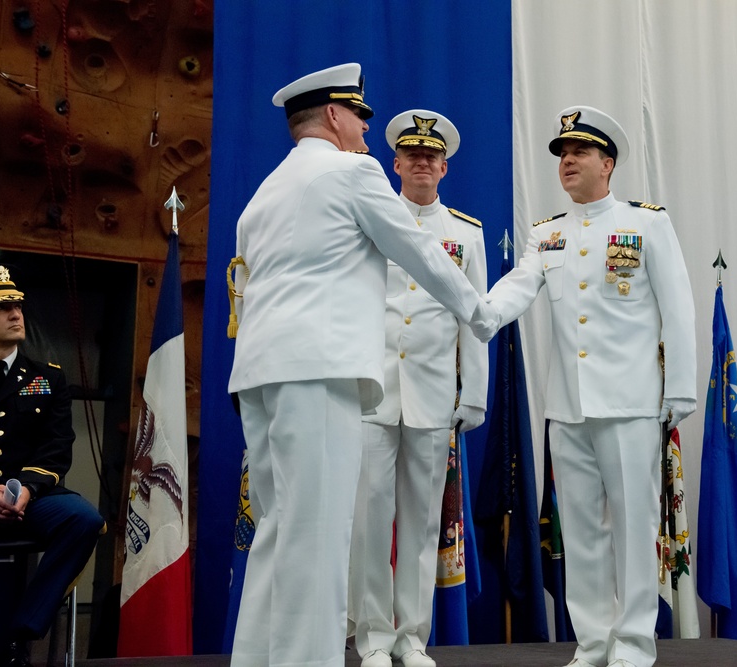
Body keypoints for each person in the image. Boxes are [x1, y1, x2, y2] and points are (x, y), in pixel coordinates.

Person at [226, 64, 496, 667]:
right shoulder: (352, 172)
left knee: (278, 529)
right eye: (361, 117)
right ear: (332, 116)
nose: (368, 131)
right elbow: (419, 247)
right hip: (318, 373)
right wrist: (480, 313)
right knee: (320, 538)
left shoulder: (265, 192)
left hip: (260, 376)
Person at [482, 107, 697, 667]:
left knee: (633, 527)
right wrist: (477, 311)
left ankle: (633, 643)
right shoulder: (546, 234)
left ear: (608, 163)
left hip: (629, 402)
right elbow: (517, 288)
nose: (567, 161)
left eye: (578, 152)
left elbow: (678, 310)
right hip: (569, 406)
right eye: (560, 154)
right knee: (578, 532)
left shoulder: (646, 223)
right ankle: (594, 641)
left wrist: (679, 390)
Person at [348, 110, 488, 667]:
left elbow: (476, 320)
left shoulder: (466, 234)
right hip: (374, 390)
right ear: (396, 163)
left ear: (445, 167)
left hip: (432, 394)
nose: (423, 162)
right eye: (413, 155)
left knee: (424, 522)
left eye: (432, 156)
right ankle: (375, 638)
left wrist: (473, 393)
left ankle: (412, 639)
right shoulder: (371, 219)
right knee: (370, 520)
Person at [0, 264, 104, 667]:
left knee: (83, 519)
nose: (15, 313)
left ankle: (22, 630)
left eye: (17, 304)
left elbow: (55, 449)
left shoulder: (45, 378)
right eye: (0, 307)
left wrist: (27, 490)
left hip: (28, 498)